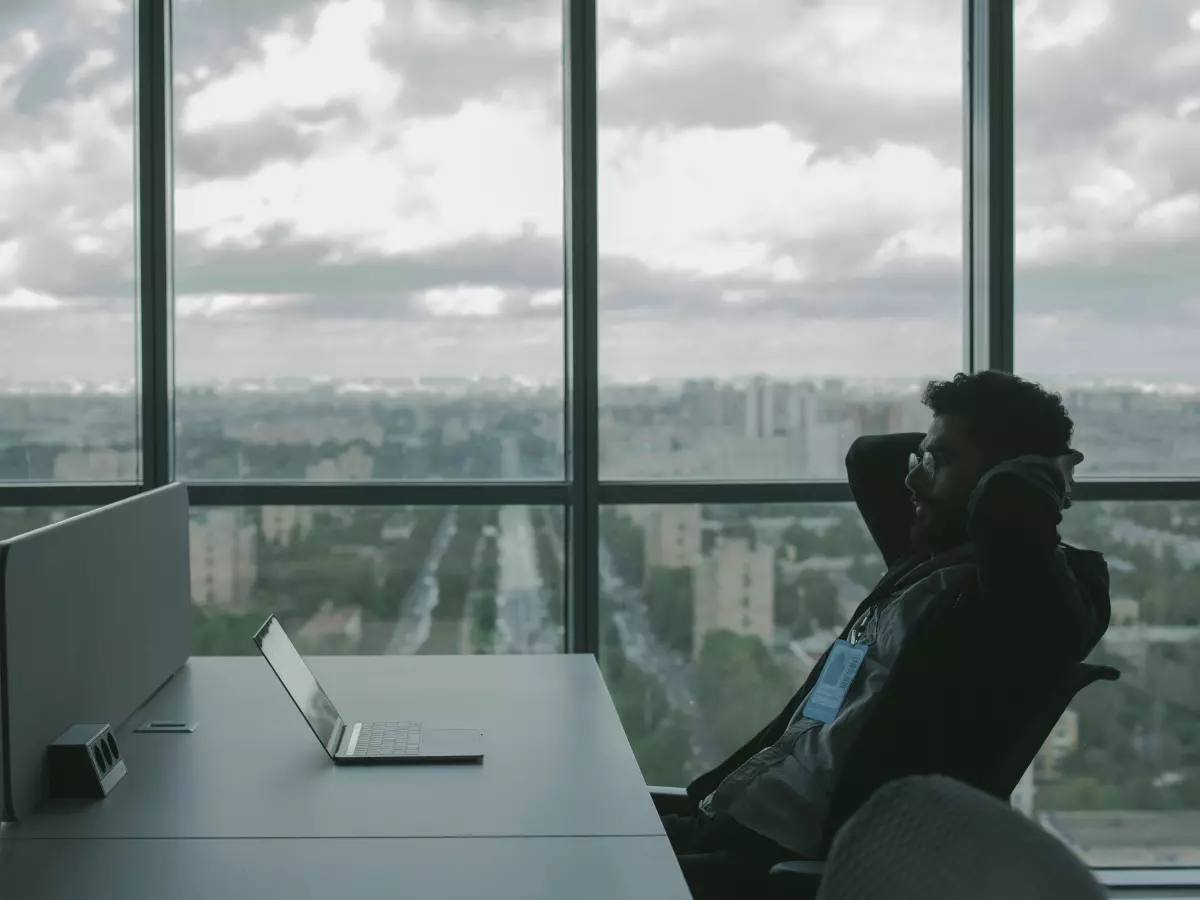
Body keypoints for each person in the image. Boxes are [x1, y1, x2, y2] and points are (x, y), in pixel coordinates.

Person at [657, 370, 1111, 900]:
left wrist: (1035, 473)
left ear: (1000, 485)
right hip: (732, 816)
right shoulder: (926, 560)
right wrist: (944, 456)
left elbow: (1010, 512)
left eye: (939, 462)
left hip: (784, 863)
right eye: (923, 458)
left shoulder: (1027, 605)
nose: (913, 480)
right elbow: (869, 457)